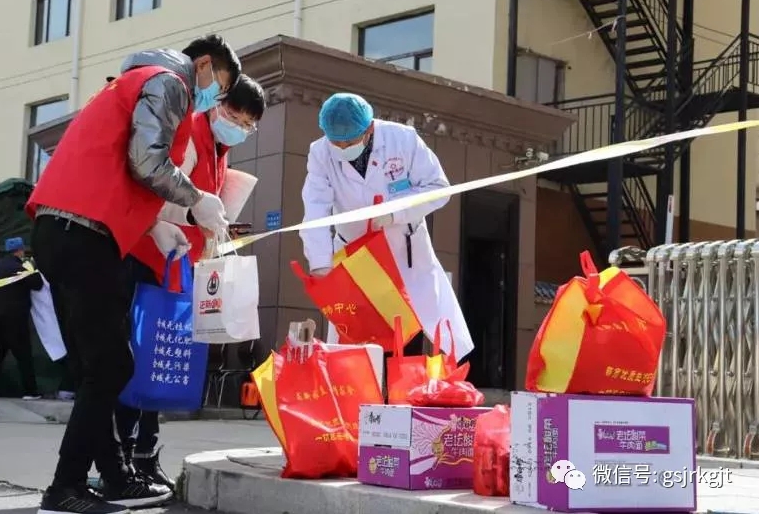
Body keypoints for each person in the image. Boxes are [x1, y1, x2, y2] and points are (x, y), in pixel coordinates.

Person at [27, 35, 240, 514]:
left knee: (96, 368)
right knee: (110, 367)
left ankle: (116, 477)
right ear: (204, 65)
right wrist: (196, 200)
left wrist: (156, 225)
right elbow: (146, 159)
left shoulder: (127, 83)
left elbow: (114, 166)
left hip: (59, 228)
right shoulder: (170, 82)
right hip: (85, 234)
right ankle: (65, 488)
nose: (215, 98)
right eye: (221, 86)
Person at [109, 74, 266, 492]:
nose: (238, 127)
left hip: (177, 266)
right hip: (148, 260)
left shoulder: (219, 149)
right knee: (138, 363)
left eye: (248, 124)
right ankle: (119, 462)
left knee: (159, 363)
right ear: (218, 103)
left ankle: (143, 457)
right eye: (234, 115)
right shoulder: (191, 132)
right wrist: (188, 216)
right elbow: (160, 193)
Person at [298, 92, 475, 361]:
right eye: (336, 142)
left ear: (369, 129)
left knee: (407, 332)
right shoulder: (320, 152)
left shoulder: (403, 140)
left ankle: (402, 383)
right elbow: (315, 209)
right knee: (359, 340)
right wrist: (321, 265)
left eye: (350, 142)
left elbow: (438, 188)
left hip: (403, 253)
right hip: (356, 259)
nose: (343, 148)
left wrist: (395, 212)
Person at [0, 237, 44, 401]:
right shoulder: (20, 268)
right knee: (23, 356)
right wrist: (31, 268)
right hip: (16, 318)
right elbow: (37, 284)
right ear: (21, 250)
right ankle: (30, 392)